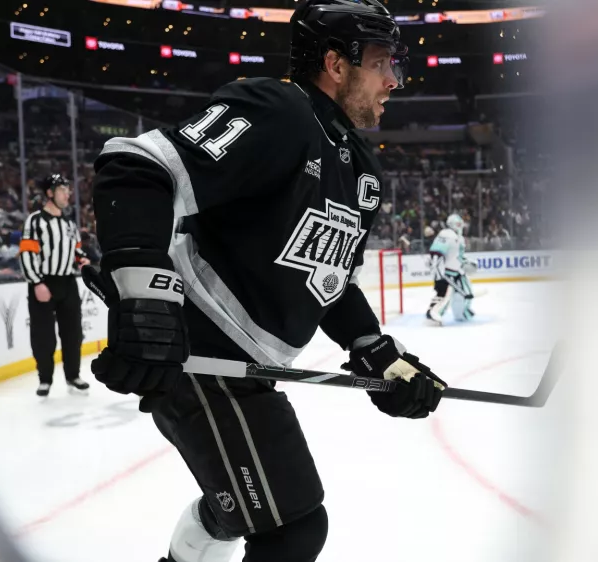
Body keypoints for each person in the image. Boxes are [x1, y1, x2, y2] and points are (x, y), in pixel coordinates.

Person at [83, 1, 447, 561]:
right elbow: (138, 166)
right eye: (381, 63)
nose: (394, 81)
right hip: (198, 351)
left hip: (246, 369)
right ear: (335, 62)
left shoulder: (361, 173)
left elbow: (329, 280)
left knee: (245, 511)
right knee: (292, 529)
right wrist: (146, 297)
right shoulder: (278, 109)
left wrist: (376, 350)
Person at [19, 174, 91, 396]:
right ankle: (45, 379)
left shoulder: (69, 223)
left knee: (73, 333)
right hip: (43, 282)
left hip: (67, 283)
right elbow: (27, 254)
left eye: (67, 190)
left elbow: (76, 249)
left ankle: (73, 375)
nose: (67, 194)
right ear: (49, 193)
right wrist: (37, 282)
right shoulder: (35, 220)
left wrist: (83, 260)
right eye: (62, 190)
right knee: (43, 335)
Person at [425, 214, 476, 326]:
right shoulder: (446, 234)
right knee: (444, 295)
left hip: (457, 272)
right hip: (446, 273)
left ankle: (462, 313)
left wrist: (466, 262)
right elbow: (436, 252)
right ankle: (432, 315)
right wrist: (438, 270)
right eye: (459, 224)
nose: (461, 227)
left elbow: (458, 255)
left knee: (467, 292)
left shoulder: (459, 238)